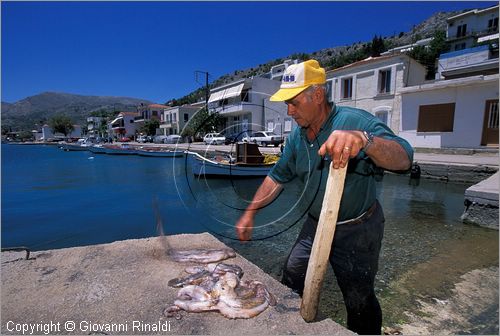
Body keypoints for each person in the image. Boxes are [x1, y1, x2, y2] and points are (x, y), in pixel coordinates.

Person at [235, 59, 413, 335]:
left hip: (358, 227)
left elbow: (404, 159)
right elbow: (277, 177)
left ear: (317, 96)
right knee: (293, 275)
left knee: (359, 298)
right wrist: (250, 212)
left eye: (294, 102)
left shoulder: (356, 121)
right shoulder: (296, 138)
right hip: (315, 224)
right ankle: (294, 327)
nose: (289, 110)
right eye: (287, 103)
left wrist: (365, 140)